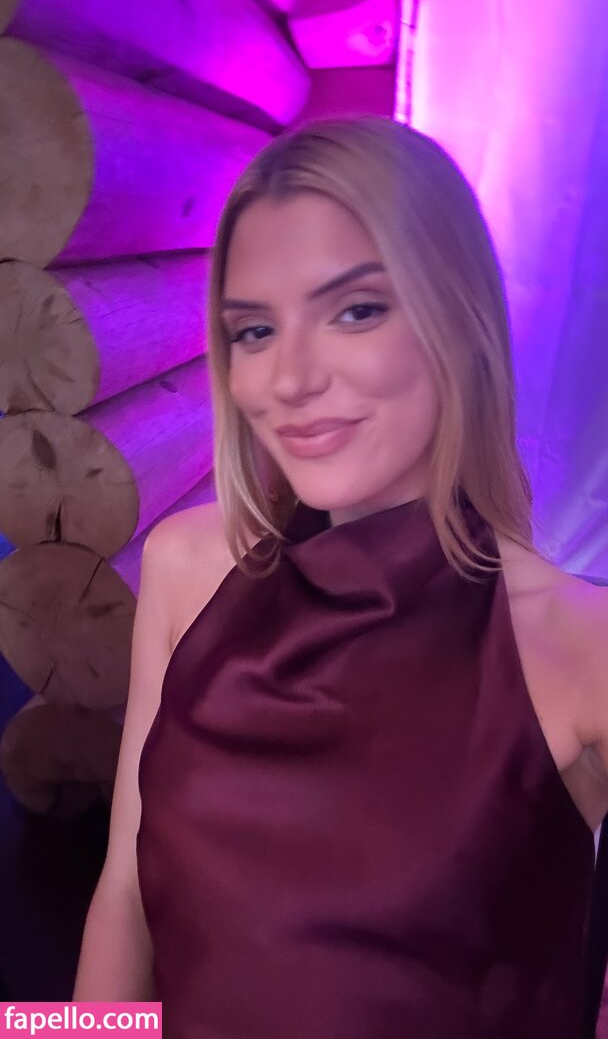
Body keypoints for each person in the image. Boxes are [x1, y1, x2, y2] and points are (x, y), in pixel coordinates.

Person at [73, 115, 608, 1037]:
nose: (290, 380)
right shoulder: (186, 565)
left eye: (356, 311)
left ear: (461, 321)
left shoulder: (581, 646)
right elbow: (125, 891)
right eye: (253, 331)